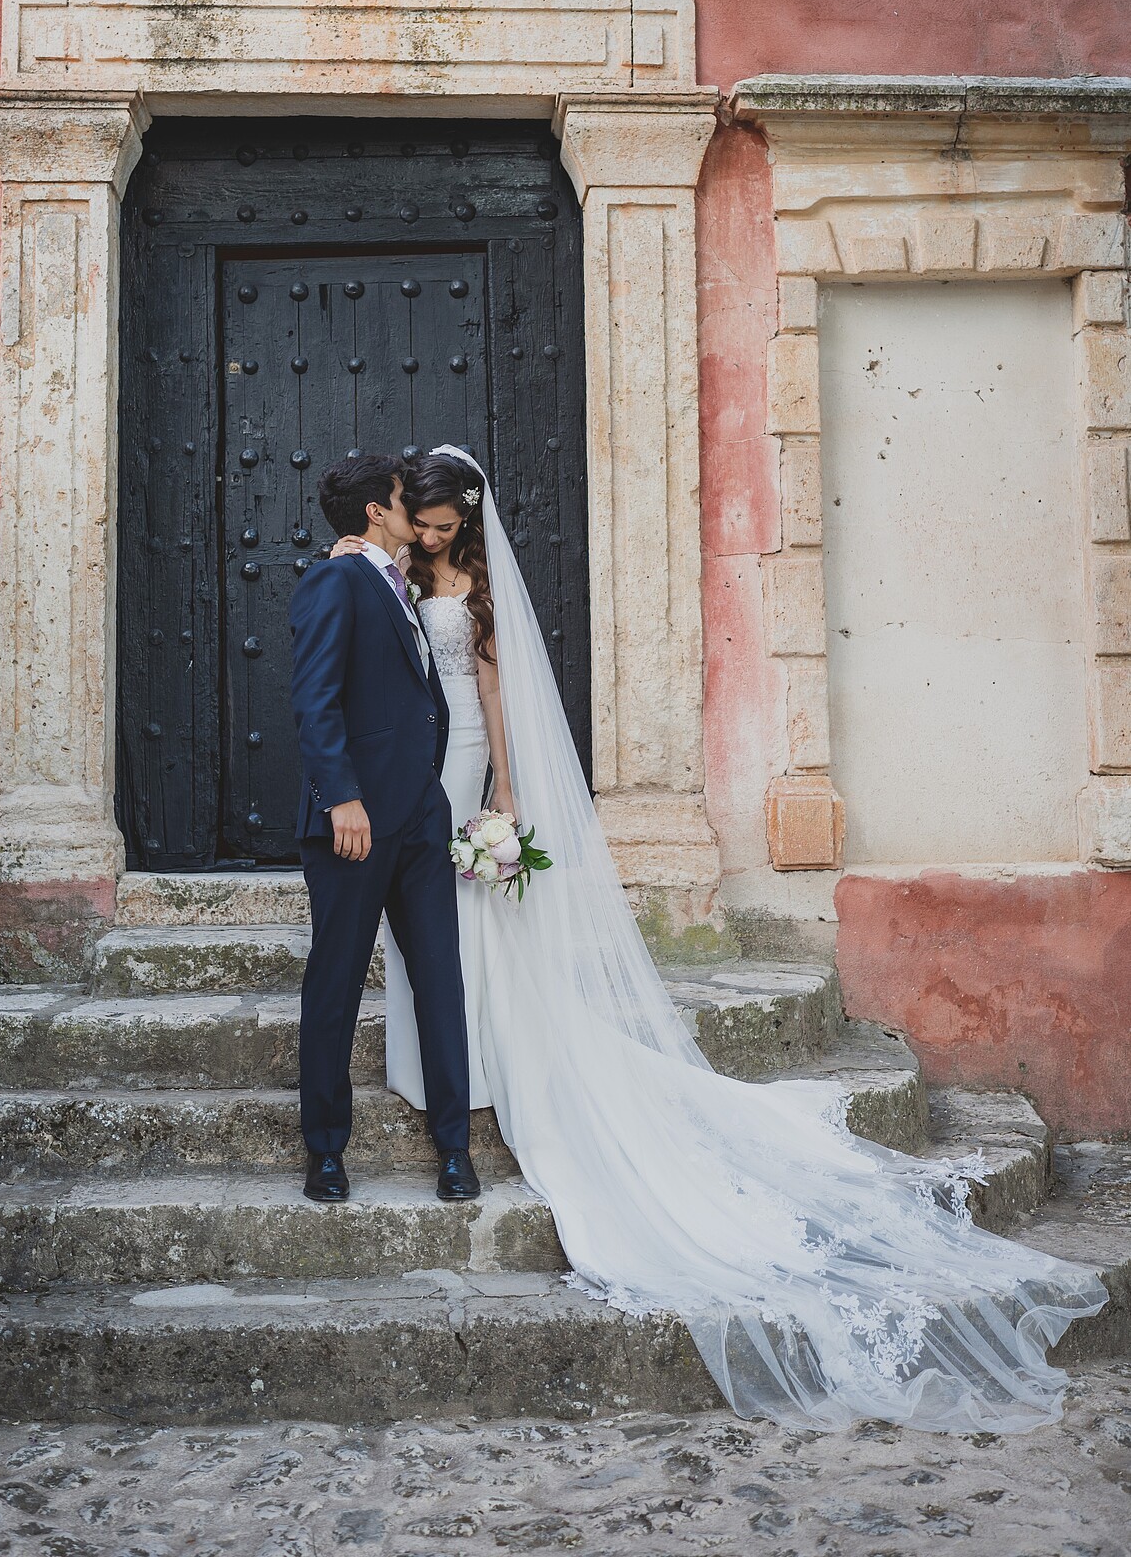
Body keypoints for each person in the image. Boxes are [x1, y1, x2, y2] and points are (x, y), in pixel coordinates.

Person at [328, 445, 1108, 1434]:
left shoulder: (473, 584)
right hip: (404, 768)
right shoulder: (386, 566)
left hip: (466, 762)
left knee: (476, 921)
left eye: (442, 525)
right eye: (422, 522)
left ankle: (489, 1056)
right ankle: (437, 1055)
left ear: (464, 522)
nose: (430, 534)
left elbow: (490, 692)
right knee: (422, 931)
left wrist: (507, 791)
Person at [289, 453, 479, 1207]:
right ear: (378, 510)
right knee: (333, 985)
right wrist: (341, 799)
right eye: (404, 500)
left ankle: (455, 1150)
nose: (414, 511)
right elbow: (314, 698)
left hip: (420, 817)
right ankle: (325, 1151)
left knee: (440, 981)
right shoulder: (337, 579)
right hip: (354, 825)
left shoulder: (396, 580)